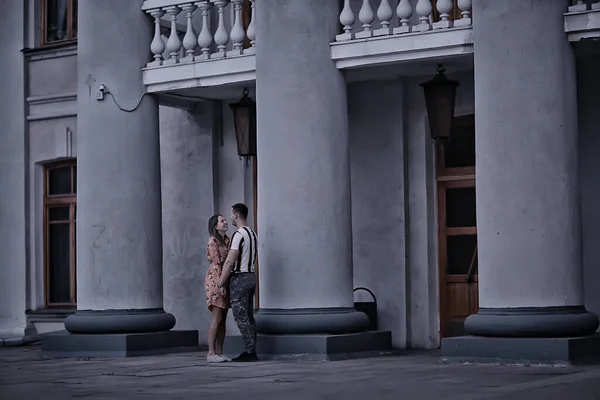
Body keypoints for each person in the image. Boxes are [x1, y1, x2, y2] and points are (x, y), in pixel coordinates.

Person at [218, 203, 259, 362]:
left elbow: (230, 260)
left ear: (236, 215)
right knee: (249, 315)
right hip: (251, 276)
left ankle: (250, 351)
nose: (230, 217)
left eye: (231, 214)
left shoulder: (238, 234)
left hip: (240, 278)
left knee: (240, 315)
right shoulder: (253, 233)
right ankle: (251, 349)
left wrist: (221, 282)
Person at [204, 214, 231, 363]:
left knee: (223, 320)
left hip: (224, 281)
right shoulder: (212, 241)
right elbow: (216, 265)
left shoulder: (227, 241)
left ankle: (220, 353)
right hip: (215, 281)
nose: (225, 222)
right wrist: (220, 284)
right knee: (217, 318)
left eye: (225, 220)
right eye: (222, 221)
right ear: (215, 226)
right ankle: (211, 353)